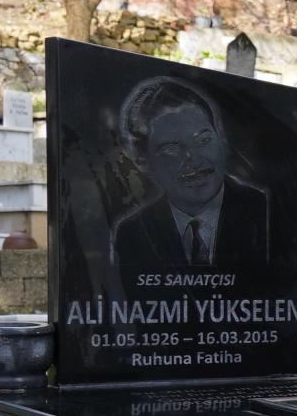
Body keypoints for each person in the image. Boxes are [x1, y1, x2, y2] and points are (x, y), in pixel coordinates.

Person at [110, 76, 271, 270]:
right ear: (142, 160)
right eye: (172, 149)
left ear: (220, 139)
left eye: (203, 140)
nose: (194, 159)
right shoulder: (133, 233)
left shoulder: (265, 211)